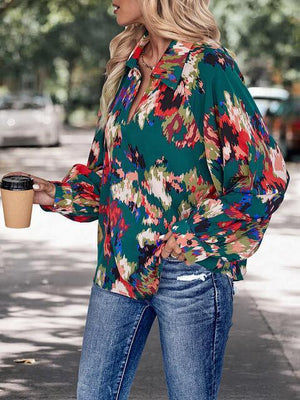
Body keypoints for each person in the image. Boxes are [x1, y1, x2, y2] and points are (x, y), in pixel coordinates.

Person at [4, 0, 290, 399]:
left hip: (187, 271)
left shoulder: (207, 67)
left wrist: (190, 238)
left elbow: (266, 178)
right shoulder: (129, 68)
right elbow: (110, 176)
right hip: (118, 266)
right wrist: (53, 192)